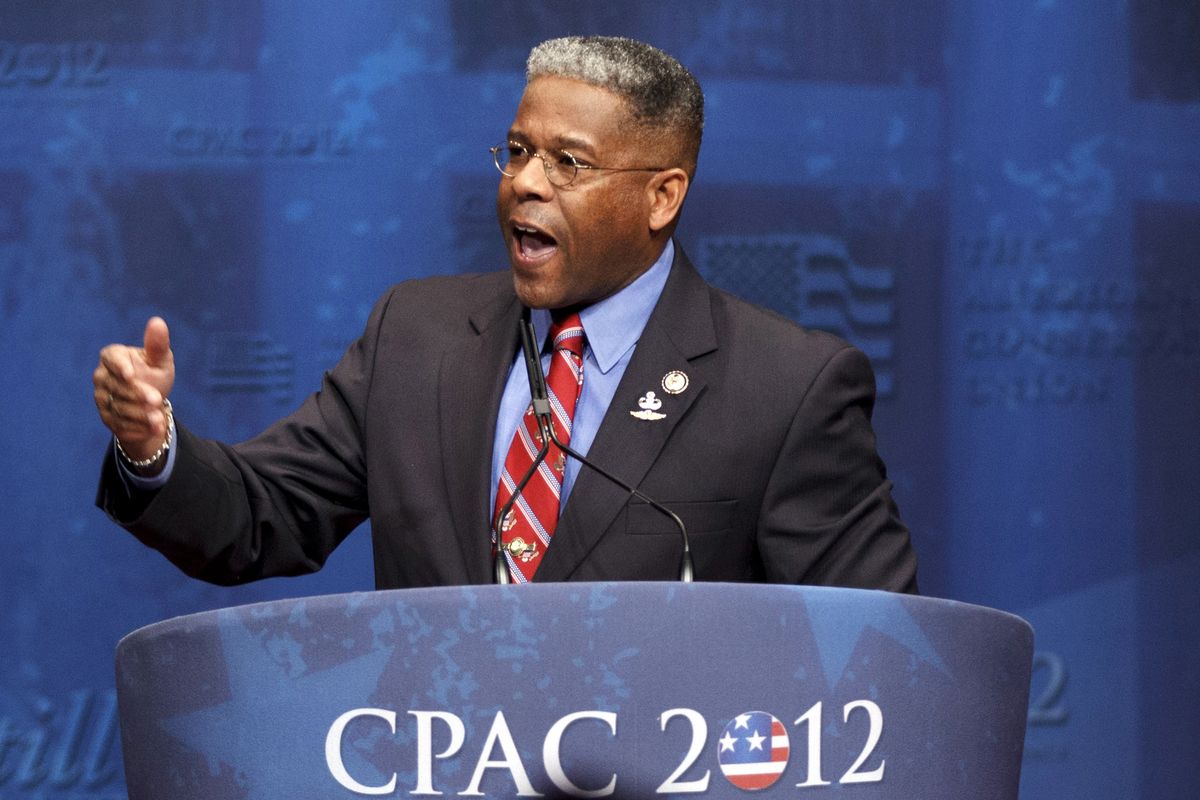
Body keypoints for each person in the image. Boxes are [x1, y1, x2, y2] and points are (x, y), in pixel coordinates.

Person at [94, 36, 918, 591]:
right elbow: (262, 517)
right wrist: (153, 446)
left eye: (569, 162)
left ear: (663, 195)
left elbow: (866, 649)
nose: (525, 182)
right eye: (518, 151)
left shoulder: (786, 386)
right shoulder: (414, 337)